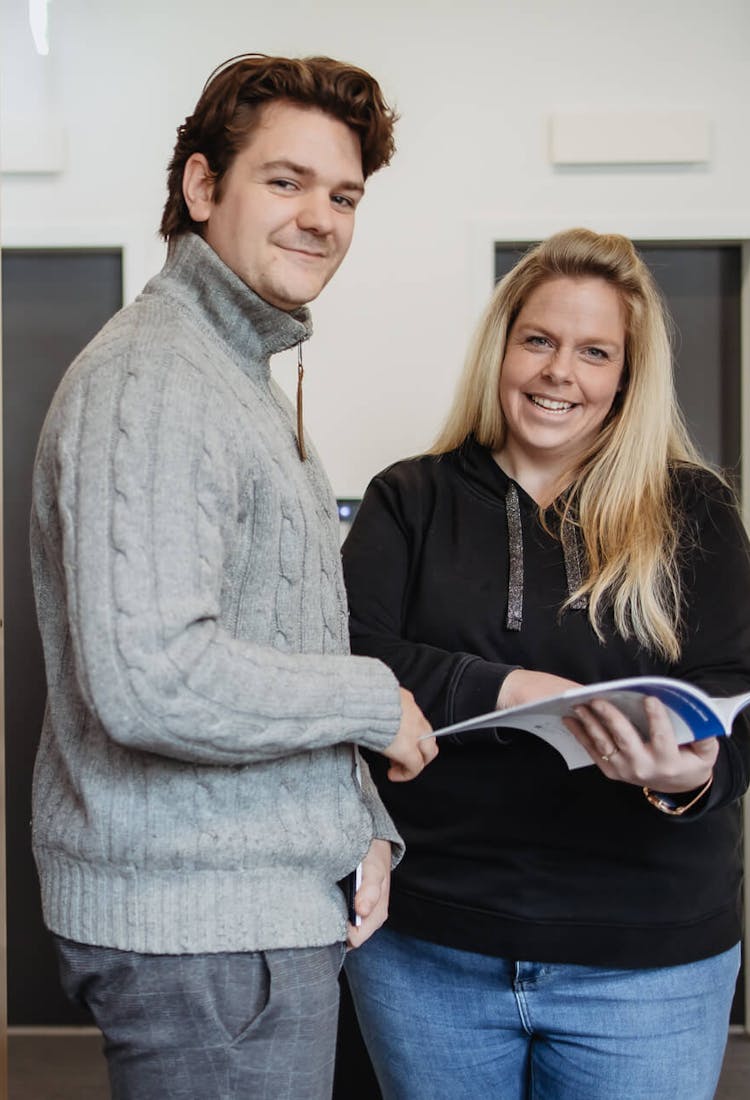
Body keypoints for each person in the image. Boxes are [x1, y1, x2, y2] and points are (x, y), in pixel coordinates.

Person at [29, 53, 436, 1100]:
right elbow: (152, 677)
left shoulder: (233, 375)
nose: (323, 217)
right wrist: (371, 700)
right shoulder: (156, 378)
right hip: (204, 939)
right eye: (286, 181)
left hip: (252, 920)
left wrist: (364, 827)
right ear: (204, 187)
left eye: (343, 194)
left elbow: (277, 646)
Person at [342, 227, 750, 1100]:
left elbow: (736, 690)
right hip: (430, 951)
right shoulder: (408, 499)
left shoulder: (696, 511)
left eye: (595, 352)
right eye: (539, 340)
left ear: (626, 379)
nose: (561, 372)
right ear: (502, 349)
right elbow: (354, 656)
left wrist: (688, 776)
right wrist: (508, 688)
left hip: (648, 966)